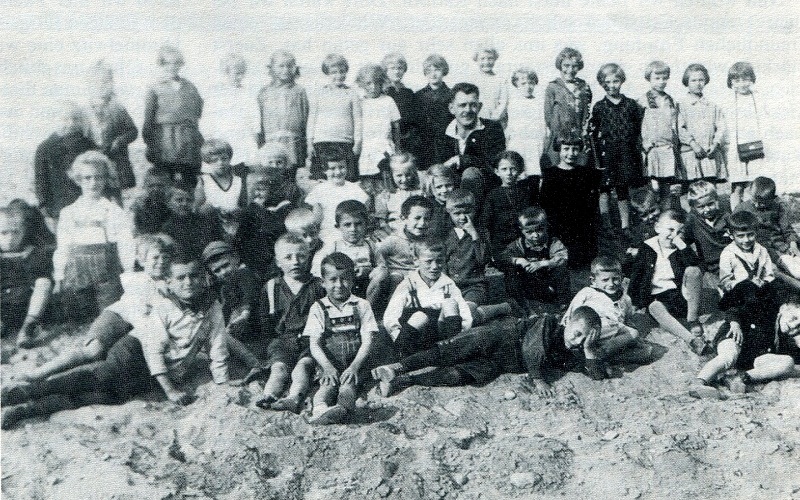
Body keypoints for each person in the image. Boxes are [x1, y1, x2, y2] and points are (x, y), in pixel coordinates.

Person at [1, 257, 231, 430]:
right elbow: (153, 350)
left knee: (107, 397)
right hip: (135, 351)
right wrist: (169, 390)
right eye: (180, 278)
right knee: (98, 378)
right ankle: (23, 392)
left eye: (194, 276)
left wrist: (223, 382)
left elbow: (218, 345)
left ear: (203, 279)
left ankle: (26, 410)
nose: (188, 283)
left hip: (163, 369)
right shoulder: (164, 306)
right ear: (169, 283)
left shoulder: (212, 308)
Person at [21, 234, 172, 378]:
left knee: (116, 362)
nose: (161, 261)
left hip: (137, 327)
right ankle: (39, 373)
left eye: (165, 257)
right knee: (93, 351)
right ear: (141, 260)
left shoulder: (170, 282)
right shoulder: (135, 279)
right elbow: (142, 308)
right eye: (155, 257)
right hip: (117, 318)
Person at [371, 312, 575, 397]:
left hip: (500, 362)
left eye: (584, 340)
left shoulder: (570, 348)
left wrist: (590, 350)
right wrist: (538, 378)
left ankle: (405, 380)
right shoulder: (550, 322)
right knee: (446, 352)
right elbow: (532, 349)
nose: (577, 340)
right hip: (497, 337)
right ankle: (396, 368)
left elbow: (590, 368)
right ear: (569, 320)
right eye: (578, 333)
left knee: (461, 375)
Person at [53, 152, 134, 318]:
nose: (93, 183)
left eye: (99, 177)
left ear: (106, 179)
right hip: (78, 277)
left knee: (110, 314)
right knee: (77, 317)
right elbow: (63, 247)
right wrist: (59, 276)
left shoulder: (113, 211)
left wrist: (129, 272)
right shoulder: (69, 212)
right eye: (87, 178)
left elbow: (126, 244)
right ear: (78, 180)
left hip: (107, 278)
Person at [305, 253, 380, 424]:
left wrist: (354, 367)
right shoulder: (318, 307)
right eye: (332, 279)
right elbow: (314, 344)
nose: (339, 285)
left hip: (355, 362)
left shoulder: (362, 305)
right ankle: (320, 410)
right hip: (330, 363)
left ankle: (342, 410)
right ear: (323, 283)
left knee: (348, 387)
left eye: (345, 279)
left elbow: (367, 340)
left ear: (353, 281)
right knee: (326, 387)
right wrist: (327, 367)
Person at [254, 233, 325, 413]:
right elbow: (264, 320)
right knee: (278, 369)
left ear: (309, 257)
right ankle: (269, 396)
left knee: (303, 367)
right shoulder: (272, 287)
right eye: (288, 257)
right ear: (278, 262)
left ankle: (294, 397)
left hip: (310, 340)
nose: (295, 261)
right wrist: (269, 344)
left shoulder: (317, 286)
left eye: (301, 256)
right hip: (282, 340)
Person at [690, 283, 800, 399]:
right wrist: (735, 323)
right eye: (794, 318)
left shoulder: (787, 340)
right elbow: (735, 310)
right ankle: (699, 383)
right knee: (729, 356)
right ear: (784, 308)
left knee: (788, 362)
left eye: (799, 327)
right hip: (735, 337)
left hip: (752, 359)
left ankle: (738, 378)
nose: (793, 326)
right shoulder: (765, 308)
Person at [629, 209, 707, 355]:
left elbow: (697, 265)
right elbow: (637, 275)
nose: (673, 236)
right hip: (658, 296)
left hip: (681, 294)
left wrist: (683, 246)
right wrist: (634, 301)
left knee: (693, 271)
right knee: (654, 307)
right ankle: (691, 339)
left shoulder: (684, 247)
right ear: (657, 227)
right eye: (670, 230)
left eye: (679, 232)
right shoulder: (647, 247)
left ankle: (692, 319)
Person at [384, 240, 472, 358]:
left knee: (450, 303)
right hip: (414, 337)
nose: (434, 267)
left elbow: (465, 313)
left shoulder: (447, 284)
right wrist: (398, 337)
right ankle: (403, 354)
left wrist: (462, 331)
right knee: (420, 316)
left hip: (439, 336)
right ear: (416, 261)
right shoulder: (408, 284)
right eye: (428, 262)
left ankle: (454, 348)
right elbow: (390, 316)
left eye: (439, 261)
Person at [562, 256, 646, 379]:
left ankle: (600, 354)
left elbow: (626, 320)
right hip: (589, 328)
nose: (611, 284)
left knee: (635, 335)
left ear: (622, 278)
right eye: (605, 280)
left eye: (615, 279)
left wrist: (629, 337)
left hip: (610, 333)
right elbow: (573, 313)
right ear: (593, 280)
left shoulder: (625, 298)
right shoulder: (588, 292)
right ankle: (592, 356)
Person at [443, 189, 516, 324]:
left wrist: (474, 235)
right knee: (449, 316)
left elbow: (483, 259)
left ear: (475, 210)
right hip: (451, 287)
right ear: (449, 213)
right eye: (457, 213)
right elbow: (442, 264)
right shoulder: (446, 235)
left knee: (467, 315)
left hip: (474, 287)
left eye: (467, 212)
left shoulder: (482, 233)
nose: (463, 217)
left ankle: (501, 308)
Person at [590, 63, 645, 235]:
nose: (612, 85)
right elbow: (594, 132)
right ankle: (607, 225)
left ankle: (625, 225)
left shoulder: (630, 104)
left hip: (626, 152)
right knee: (604, 188)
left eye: (616, 81)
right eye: (608, 82)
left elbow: (638, 128)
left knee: (622, 188)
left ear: (621, 82)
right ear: (602, 83)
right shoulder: (599, 107)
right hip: (607, 152)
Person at [434, 82, 506, 211]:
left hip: (484, 190)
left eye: (473, 105)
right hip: (450, 189)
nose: (468, 110)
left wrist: (462, 160)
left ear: (479, 107)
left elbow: (494, 165)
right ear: (451, 108)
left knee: (470, 173)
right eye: (462, 105)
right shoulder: (443, 132)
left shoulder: (492, 129)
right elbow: (439, 166)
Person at [142, 45, 204, 188]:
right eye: (167, 63)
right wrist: (151, 144)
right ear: (161, 64)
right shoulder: (155, 88)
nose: (172, 67)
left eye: (176, 63)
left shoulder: (190, 87)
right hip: (165, 140)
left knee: (190, 181)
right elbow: (148, 119)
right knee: (164, 181)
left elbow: (198, 110)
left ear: (181, 64)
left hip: (188, 140)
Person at [539, 131, 600, 269]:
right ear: (559, 150)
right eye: (566, 149)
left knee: (584, 265)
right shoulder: (550, 174)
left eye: (575, 149)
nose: (571, 153)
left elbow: (593, 203)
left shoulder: (587, 174)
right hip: (559, 228)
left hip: (583, 228)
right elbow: (545, 204)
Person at [34, 101, 97, 223]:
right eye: (65, 119)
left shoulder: (89, 146)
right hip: (58, 208)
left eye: (75, 119)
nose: (71, 124)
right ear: (56, 120)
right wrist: (43, 206)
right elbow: (40, 179)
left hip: (87, 206)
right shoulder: (45, 148)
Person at [0, 206, 55, 346]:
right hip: (3, 307)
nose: (10, 238)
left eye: (15, 232)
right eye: (4, 233)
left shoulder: (33, 253)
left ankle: (28, 328)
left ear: (24, 231)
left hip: (27, 308)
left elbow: (43, 279)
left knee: (44, 282)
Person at [498, 207, 570, 312]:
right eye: (529, 232)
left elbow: (562, 256)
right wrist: (519, 260)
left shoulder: (552, 242)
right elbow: (504, 256)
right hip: (529, 284)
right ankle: (517, 302)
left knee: (561, 269)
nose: (535, 235)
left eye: (539, 230)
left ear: (546, 227)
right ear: (522, 230)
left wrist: (542, 263)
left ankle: (562, 303)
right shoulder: (519, 244)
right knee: (511, 270)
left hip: (547, 284)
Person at [311, 201, 381, 307]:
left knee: (381, 274)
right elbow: (316, 268)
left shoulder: (371, 245)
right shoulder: (334, 246)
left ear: (366, 224)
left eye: (358, 224)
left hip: (366, 288)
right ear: (338, 227)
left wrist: (370, 270)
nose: (353, 229)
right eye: (347, 225)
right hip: (342, 286)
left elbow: (382, 266)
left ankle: (367, 308)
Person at [307, 53, 362, 181]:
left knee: (346, 178)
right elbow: (312, 119)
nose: (339, 75)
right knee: (322, 178)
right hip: (322, 142)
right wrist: (309, 143)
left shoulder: (351, 93)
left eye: (342, 72)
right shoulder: (319, 93)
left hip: (345, 143)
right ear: (327, 73)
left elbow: (358, 120)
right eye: (334, 72)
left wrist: (358, 142)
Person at [84, 60, 138, 189]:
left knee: (115, 195)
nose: (101, 85)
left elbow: (132, 131)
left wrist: (120, 141)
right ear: (90, 85)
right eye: (97, 82)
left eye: (106, 81)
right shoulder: (85, 111)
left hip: (116, 161)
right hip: (94, 161)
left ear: (112, 83)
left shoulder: (118, 108)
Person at [734, 177, 800, 282]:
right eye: (754, 200)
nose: (757, 205)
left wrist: (793, 245)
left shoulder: (778, 207)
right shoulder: (742, 209)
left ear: (772, 198)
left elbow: (787, 229)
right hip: (763, 249)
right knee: (795, 272)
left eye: (762, 203)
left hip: (782, 246)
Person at [200, 53, 259, 170]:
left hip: (243, 139)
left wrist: (255, 137)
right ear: (226, 73)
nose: (240, 77)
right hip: (223, 137)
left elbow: (254, 118)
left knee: (242, 170)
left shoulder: (247, 93)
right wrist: (210, 140)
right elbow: (207, 119)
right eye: (237, 73)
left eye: (243, 73)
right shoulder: (215, 93)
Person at [723, 62, 767, 209]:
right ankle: (736, 215)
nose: (741, 84)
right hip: (735, 150)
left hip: (755, 146)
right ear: (731, 82)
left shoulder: (758, 98)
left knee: (752, 184)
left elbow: (764, 122)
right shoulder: (728, 101)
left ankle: (749, 215)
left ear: (751, 79)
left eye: (745, 79)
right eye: (737, 80)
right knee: (737, 186)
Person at [237, 170, 295, 281]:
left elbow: (275, 229)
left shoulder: (284, 208)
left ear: (273, 190)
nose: (257, 194)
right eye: (254, 190)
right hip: (255, 258)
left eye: (261, 190)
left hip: (274, 256)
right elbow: (241, 237)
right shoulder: (251, 211)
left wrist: (260, 210)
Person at [677, 64, 727, 189]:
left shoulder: (712, 106)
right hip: (690, 154)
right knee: (691, 191)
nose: (698, 83)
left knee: (710, 190)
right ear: (687, 82)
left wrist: (715, 144)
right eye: (693, 80)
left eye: (701, 80)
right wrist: (693, 144)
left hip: (709, 155)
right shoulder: (681, 105)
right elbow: (679, 128)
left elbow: (721, 127)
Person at [304, 150, 371, 243]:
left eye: (342, 167)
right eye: (332, 168)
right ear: (325, 170)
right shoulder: (319, 190)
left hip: (351, 235)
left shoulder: (355, 189)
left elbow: (364, 216)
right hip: (326, 236)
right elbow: (316, 220)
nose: (338, 172)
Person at [374, 195, 434, 296]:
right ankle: (392, 310)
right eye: (417, 218)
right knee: (397, 278)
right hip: (397, 278)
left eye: (427, 219)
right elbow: (378, 256)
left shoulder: (430, 241)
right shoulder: (393, 240)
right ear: (404, 218)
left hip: (419, 279)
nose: (422, 223)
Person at [257, 50, 309, 168]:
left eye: (289, 66)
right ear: (272, 68)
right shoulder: (264, 92)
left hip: (294, 144)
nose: (285, 70)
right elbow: (259, 121)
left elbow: (305, 118)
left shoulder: (299, 91)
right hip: (271, 142)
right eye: (281, 66)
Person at [355, 64, 401, 196]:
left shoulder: (388, 101)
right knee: (367, 184)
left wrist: (397, 148)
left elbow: (396, 127)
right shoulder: (360, 102)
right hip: (366, 147)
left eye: (377, 83)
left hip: (384, 146)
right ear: (362, 85)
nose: (373, 87)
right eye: (368, 84)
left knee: (385, 183)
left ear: (382, 83)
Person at [543, 47, 592, 169]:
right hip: (559, 136)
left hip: (578, 136)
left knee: (579, 169)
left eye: (574, 66)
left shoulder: (584, 87)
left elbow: (586, 112)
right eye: (566, 65)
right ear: (560, 65)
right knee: (557, 168)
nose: (570, 70)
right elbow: (548, 115)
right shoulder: (553, 87)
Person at [480, 151, 536, 257]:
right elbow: (485, 222)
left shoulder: (526, 193)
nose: (509, 173)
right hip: (501, 242)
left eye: (513, 169)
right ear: (497, 171)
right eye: (504, 169)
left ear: (520, 170)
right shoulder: (493, 195)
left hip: (523, 240)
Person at [638, 61, 680, 202]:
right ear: (649, 79)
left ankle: (666, 216)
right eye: (657, 78)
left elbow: (674, 126)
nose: (661, 82)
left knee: (666, 188)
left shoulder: (670, 101)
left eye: (664, 78)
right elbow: (638, 127)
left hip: (666, 149)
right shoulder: (642, 101)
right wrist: (644, 145)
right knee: (652, 187)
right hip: (651, 150)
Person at [202, 241, 260, 341]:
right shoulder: (225, 287)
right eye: (217, 271)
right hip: (241, 326)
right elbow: (226, 308)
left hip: (256, 321)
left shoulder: (245, 274)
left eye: (225, 265)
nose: (223, 272)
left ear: (236, 258)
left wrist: (245, 313)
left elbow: (249, 293)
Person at [505, 67, 546, 190]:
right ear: (517, 85)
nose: (528, 86)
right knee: (519, 174)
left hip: (534, 143)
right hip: (519, 143)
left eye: (531, 83)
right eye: (523, 83)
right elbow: (512, 126)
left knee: (534, 175)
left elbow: (541, 124)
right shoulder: (514, 103)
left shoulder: (539, 102)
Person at [682, 180, 730, 284]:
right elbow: (686, 240)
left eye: (710, 204)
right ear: (693, 207)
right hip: (709, 266)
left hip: (729, 261)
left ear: (716, 200)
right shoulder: (692, 220)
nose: (707, 209)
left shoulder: (725, 217)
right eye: (701, 207)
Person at [160, 185, 224, 260]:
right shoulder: (167, 229)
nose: (184, 204)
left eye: (189, 200)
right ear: (169, 203)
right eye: (179, 200)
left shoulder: (206, 221)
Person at [718, 210, 775, 293]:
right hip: (739, 293)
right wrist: (747, 285)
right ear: (731, 236)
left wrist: (764, 282)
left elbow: (769, 274)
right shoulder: (728, 253)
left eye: (750, 235)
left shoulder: (762, 250)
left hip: (760, 290)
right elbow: (725, 282)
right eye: (741, 236)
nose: (746, 240)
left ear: (756, 232)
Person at [414, 54, 452, 171]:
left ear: (444, 71)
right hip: (424, 143)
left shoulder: (451, 94)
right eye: (429, 71)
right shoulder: (418, 95)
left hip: (445, 141)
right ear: (425, 73)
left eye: (437, 70)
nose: (433, 74)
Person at [373, 153, 423, 238]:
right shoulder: (385, 196)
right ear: (391, 176)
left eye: (408, 175)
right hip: (393, 234)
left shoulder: (420, 193)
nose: (404, 179)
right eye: (399, 175)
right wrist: (394, 236)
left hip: (417, 233)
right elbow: (382, 223)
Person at [194, 139, 247, 214]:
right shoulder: (204, 181)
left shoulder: (238, 181)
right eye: (215, 160)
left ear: (229, 158)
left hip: (234, 221)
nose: (220, 163)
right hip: (211, 222)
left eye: (224, 159)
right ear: (208, 161)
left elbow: (243, 207)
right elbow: (197, 209)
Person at [381, 53, 417, 156]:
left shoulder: (408, 92)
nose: (397, 71)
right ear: (386, 71)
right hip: (389, 138)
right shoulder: (383, 92)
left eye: (400, 68)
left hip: (407, 138)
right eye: (392, 68)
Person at [471, 44, 508, 127]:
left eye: (490, 58)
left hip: (496, 122)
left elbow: (504, 103)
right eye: (482, 59)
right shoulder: (472, 80)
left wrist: (494, 118)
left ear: (495, 59)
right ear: (476, 60)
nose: (486, 62)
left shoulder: (501, 80)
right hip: (476, 121)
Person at [423, 163, 457, 240]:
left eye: (448, 185)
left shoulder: (457, 202)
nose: (444, 190)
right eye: (439, 187)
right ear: (430, 188)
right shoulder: (428, 206)